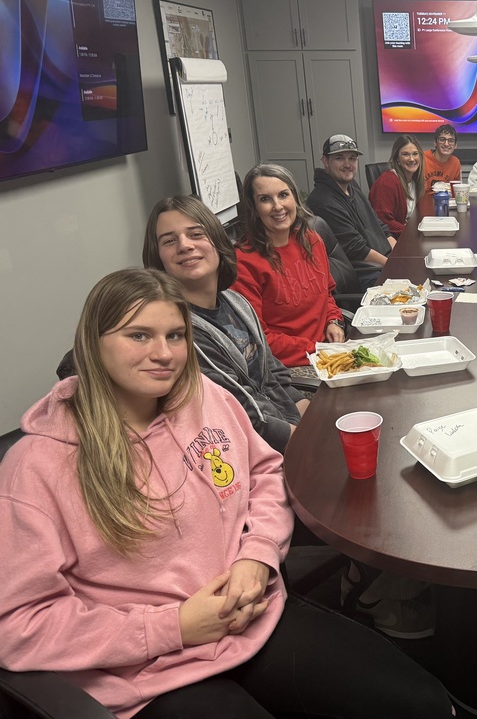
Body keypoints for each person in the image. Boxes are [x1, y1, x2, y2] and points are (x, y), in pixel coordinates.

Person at [0, 268, 454, 719]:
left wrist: (256, 557)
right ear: (92, 344)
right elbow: (17, 627)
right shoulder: (36, 468)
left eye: (176, 336)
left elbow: (266, 473)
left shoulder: (205, 396)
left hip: (252, 619)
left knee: (423, 704)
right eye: (139, 336)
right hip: (146, 675)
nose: (163, 354)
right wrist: (172, 627)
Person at [140, 195, 307, 454]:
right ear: (158, 256)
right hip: (254, 454)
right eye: (170, 240)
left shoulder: (236, 302)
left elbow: (272, 374)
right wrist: (311, 443)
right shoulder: (177, 334)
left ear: (217, 242)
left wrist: (312, 419)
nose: (184, 246)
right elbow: (243, 418)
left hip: (289, 429)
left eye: (196, 234)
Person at [233, 163, 347, 368]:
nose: (278, 206)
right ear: (253, 207)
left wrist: (333, 321)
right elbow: (258, 339)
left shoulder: (311, 240)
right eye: (265, 199)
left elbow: (327, 294)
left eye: (283, 195)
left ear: (294, 197)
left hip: (328, 351)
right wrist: (317, 350)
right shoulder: (244, 261)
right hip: (290, 367)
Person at [307, 134, 396, 287]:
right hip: (366, 274)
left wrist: (399, 256)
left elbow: (379, 226)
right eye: (339, 158)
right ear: (325, 162)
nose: (347, 164)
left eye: (352, 158)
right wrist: (394, 266)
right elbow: (357, 249)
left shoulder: (350, 185)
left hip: (382, 263)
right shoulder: (323, 201)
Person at [368, 134, 425, 237]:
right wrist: (413, 232)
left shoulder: (414, 181)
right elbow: (383, 220)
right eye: (405, 154)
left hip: (408, 236)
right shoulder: (387, 182)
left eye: (415, 154)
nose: (412, 159)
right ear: (397, 159)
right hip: (393, 239)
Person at [417, 124, 462, 217]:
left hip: (446, 215)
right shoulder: (422, 158)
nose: (446, 144)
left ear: (455, 145)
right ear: (435, 143)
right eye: (442, 139)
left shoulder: (455, 162)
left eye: (451, 141)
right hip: (421, 217)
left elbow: (455, 195)